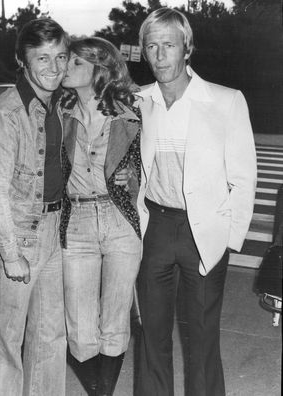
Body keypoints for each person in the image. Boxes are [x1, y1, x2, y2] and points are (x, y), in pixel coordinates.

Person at [134, 7, 257, 396]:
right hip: (154, 227)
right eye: (151, 46)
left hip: (202, 231)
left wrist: (228, 239)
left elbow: (244, 178)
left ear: (187, 48)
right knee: (151, 334)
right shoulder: (139, 102)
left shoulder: (225, 101)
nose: (159, 55)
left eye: (168, 45)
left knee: (202, 337)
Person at [0, 18, 70, 396]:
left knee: (50, 337)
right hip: (18, 237)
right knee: (6, 341)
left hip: (52, 230)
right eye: (43, 58)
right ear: (22, 60)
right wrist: (11, 254)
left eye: (61, 57)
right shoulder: (6, 114)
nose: (54, 68)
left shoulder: (54, 106)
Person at [59, 37, 142, 396]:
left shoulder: (131, 116)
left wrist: (132, 178)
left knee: (114, 317)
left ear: (99, 69)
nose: (65, 67)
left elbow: (149, 169)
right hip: (76, 221)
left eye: (75, 62)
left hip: (119, 219)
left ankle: (101, 393)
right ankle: (98, 390)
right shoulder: (58, 113)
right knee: (78, 326)